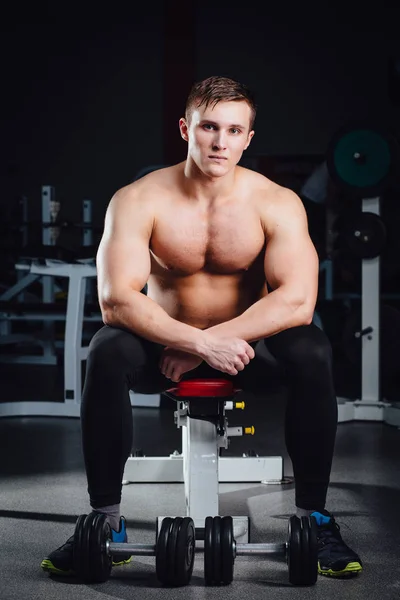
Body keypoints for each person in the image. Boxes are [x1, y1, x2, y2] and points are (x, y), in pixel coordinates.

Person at [41, 75, 362, 579]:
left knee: (313, 350)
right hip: (164, 349)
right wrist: (194, 341)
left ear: (249, 138)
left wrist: (213, 344)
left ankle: (315, 519)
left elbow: (297, 300)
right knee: (106, 349)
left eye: (234, 130)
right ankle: (106, 521)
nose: (220, 141)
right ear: (185, 128)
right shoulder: (138, 199)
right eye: (209, 126)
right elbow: (116, 301)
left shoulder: (276, 202)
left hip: (252, 352)